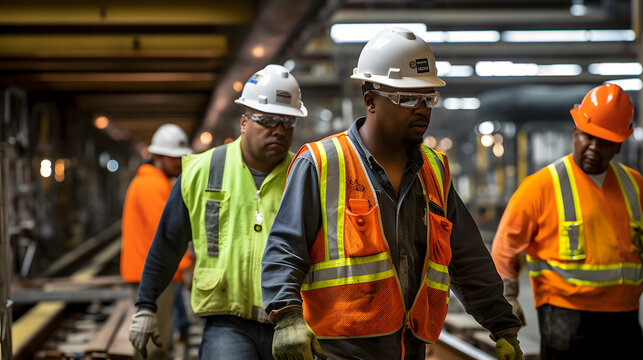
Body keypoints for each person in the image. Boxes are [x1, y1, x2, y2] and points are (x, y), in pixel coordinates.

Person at [261, 27, 523, 360]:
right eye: (407, 97)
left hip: (409, 349)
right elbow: (285, 248)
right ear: (370, 101)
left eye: (428, 97)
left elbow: (467, 259)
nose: (422, 109)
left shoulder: (435, 172)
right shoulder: (322, 164)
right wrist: (286, 316)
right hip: (336, 350)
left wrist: (502, 327)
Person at [128, 64, 308, 359]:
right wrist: (145, 305)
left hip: (291, 322)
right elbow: (168, 244)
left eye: (287, 122)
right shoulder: (201, 171)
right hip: (228, 321)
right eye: (267, 120)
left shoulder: (304, 173)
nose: (278, 130)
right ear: (244, 122)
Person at [491, 83, 643, 359]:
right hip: (564, 316)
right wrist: (507, 299)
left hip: (626, 316)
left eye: (605, 141)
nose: (594, 147)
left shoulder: (635, 185)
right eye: (588, 137)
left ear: (619, 144)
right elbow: (506, 246)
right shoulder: (541, 185)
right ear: (575, 132)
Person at [121, 123, 195, 359]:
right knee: (156, 344)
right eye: (174, 157)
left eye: (181, 157)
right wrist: (187, 266)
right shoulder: (152, 185)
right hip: (153, 276)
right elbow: (166, 235)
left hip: (149, 273)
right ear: (157, 156)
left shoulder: (149, 182)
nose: (179, 162)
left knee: (154, 338)